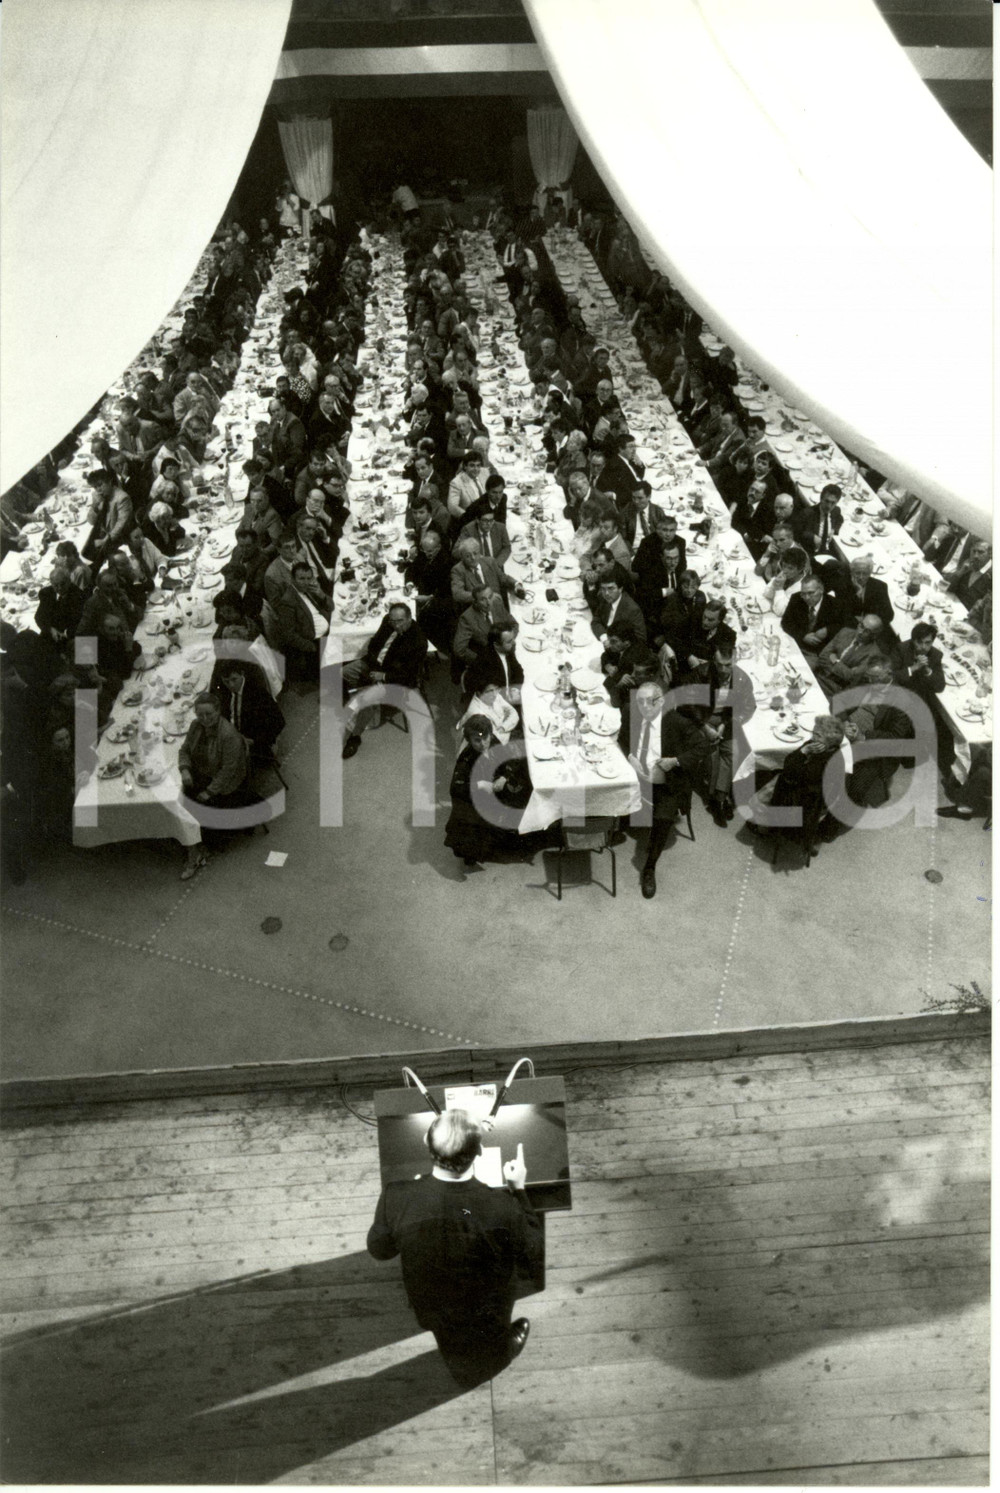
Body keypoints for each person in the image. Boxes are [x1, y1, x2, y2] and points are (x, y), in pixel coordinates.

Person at [367, 1106, 540, 1388]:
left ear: (426, 1143)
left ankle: (462, 1367)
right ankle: (489, 1364)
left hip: (432, 1305)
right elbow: (532, 1249)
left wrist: (412, 1200)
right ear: (479, 1152)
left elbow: (380, 1250)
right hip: (487, 1307)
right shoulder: (502, 1205)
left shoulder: (396, 1196)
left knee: (448, 1337)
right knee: (486, 1349)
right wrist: (518, 1189)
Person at [625, 681, 709, 899]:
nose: (643, 707)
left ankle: (650, 868)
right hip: (637, 778)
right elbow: (622, 738)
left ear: (661, 701)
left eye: (649, 702)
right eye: (639, 702)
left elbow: (703, 746)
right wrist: (630, 756)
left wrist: (676, 761)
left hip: (667, 783)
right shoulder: (632, 714)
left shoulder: (676, 722)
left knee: (663, 821)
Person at [178, 693, 258, 879]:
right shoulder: (195, 726)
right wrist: (184, 769)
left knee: (185, 806)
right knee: (178, 800)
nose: (205, 719)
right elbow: (184, 750)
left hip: (224, 785)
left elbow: (228, 771)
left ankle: (195, 852)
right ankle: (194, 845)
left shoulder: (228, 735)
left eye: (209, 715)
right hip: (202, 774)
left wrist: (209, 791)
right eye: (200, 715)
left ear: (218, 711)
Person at [341, 603, 428, 759]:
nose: (395, 625)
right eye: (393, 621)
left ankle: (355, 737)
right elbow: (375, 643)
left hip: (393, 678)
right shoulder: (388, 621)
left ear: (409, 618)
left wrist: (384, 676)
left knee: (368, 700)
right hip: (373, 664)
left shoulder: (419, 641)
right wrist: (372, 661)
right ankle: (360, 697)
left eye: (400, 621)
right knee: (344, 673)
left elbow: (410, 675)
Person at [443, 716, 524, 868]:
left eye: (485, 738)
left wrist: (504, 777)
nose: (483, 744)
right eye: (477, 741)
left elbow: (506, 760)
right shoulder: (466, 759)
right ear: (469, 740)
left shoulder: (493, 742)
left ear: (490, 734)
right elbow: (455, 789)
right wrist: (479, 785)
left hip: (496, 787)